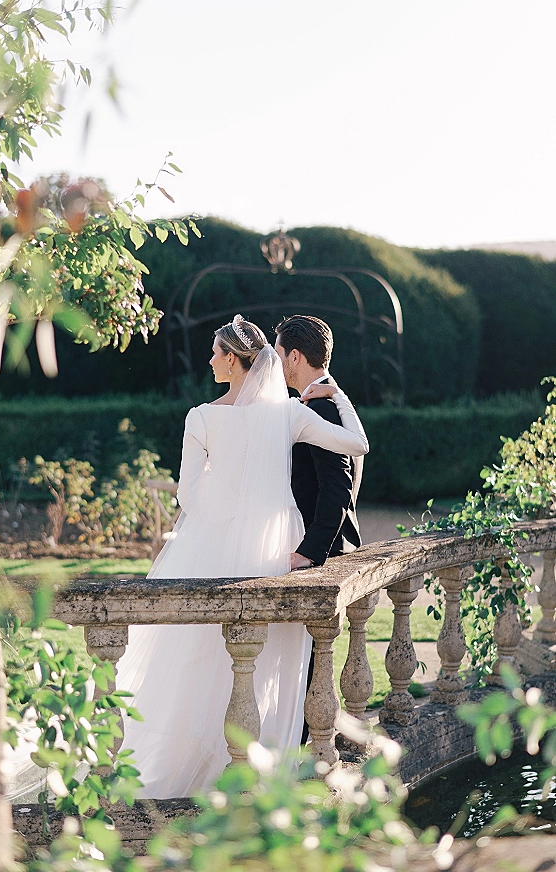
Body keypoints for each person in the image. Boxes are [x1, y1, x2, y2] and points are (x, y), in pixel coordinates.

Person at [115, 315, 369, 799]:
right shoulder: (289, 415)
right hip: (276, 546)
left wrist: (227, 515)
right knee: (271, 659)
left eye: (215, 352)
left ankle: (201, 763)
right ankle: (261, 770)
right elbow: (359, 444)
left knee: (200, 657)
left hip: (215, 545)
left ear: (233, 360)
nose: (210, 359)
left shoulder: (201, 417)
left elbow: (188, 497)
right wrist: (339, 396)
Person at [274, 314, 363, 569]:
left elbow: (337, 484)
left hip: (324, 553)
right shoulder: (332, 398)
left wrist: (310, 552)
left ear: (294, 356)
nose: (276, 366)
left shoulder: (320, 408)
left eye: (280, 356)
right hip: (331, 546)